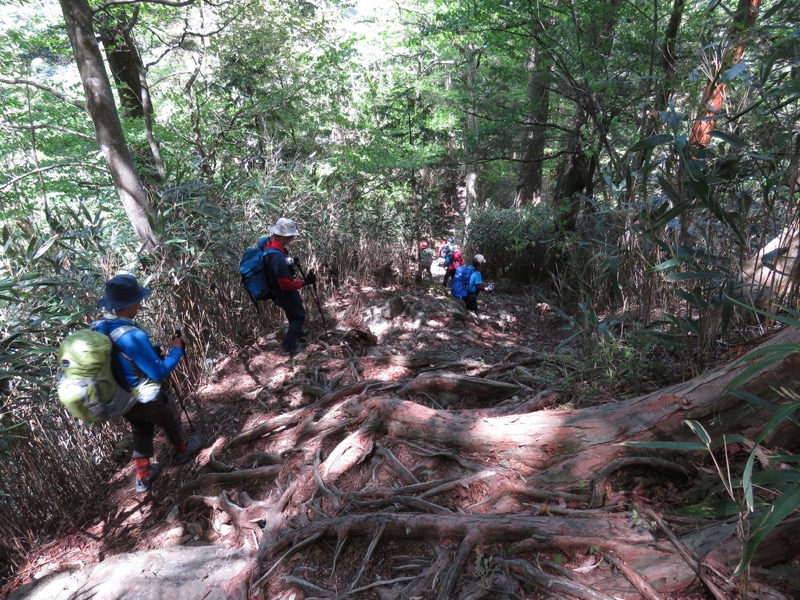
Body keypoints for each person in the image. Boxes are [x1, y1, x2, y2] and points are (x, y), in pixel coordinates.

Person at [95, 274, 201, 493]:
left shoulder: (99, 328)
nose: (139, 304)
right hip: (146, 396)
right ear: (129, 304)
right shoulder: (132, 335)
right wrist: (177, 349)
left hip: (122, 398)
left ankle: (143, 475)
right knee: (170, 415)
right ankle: (182, 450)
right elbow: (159, 372)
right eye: (137, 300)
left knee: (141, 428)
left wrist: (153, 353)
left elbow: (122, 358)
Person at [261, 217, 317, 355]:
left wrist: (291, 261)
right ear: (282, 236)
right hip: (283, 292)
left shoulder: (270, 247)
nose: (291, 238)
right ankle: (288, 346)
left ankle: (296, 333)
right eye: (290, 236)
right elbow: (286, 284)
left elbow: (274, 265)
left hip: (276, 291)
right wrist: (305, 282)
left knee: (293, 313)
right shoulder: (277, 256)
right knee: (299, 316)